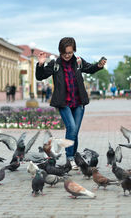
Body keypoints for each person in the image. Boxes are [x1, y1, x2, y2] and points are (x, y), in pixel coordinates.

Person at [36, 37, 106, 169]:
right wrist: (40, 64)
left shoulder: (78, 61)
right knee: (72, 129)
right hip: (64, 103)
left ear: (74, 50)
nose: (67, 55)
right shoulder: (55, 64)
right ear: (60, 51)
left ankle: (73, 158)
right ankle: (69, 158)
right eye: (64, 53)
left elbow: (90, 68)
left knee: (74, 132)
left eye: (70, 52)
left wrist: (98, 66)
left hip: (79, 103)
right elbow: (40, 76)